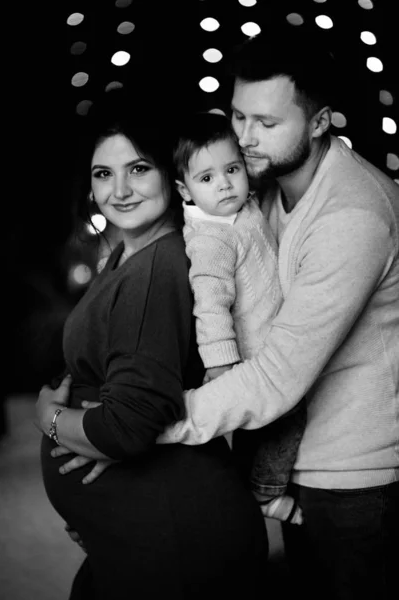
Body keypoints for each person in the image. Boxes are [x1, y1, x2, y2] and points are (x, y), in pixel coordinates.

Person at [156, 31, 399, 600]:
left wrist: (144, 426)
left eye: (266, 123)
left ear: (319, 122)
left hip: (355, 485)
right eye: (238, 116)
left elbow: (276, 377)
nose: (243, 138)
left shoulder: (353, 216)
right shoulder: (256, 192)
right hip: (298, 466)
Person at [34, 93, 268, 599]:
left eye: (138, 168)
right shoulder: (125, 253)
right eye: (103, 173)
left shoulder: (159, 268)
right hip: (144, 532)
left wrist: (50, 421)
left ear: (171, 174)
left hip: (175, 537)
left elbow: (126, 428)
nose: (118, 190)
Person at [173, 110, 305, 524]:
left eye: (231, 169)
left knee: (259, 430)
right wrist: (222, 366)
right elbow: (209, 305)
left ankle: (250, 485)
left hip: (272, 333)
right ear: (185, 189)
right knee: (282, 420)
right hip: (250, 357)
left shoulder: (241, 206)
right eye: (207, 179)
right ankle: (264, 492)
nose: (225, 184)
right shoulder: (210, 239)